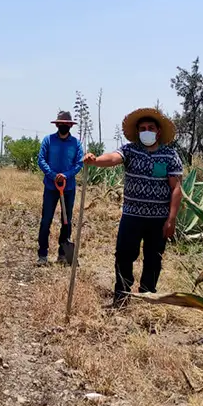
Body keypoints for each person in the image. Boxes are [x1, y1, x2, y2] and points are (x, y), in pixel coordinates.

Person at [84, 108, 183, 307]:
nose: (146, 131)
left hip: (159, 219)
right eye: (142, 128)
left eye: (150, 128)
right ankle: (122, 293)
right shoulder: (130, 150)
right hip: (132, 216)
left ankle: (147, 296)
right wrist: (95, 161)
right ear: (138, 132)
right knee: (123, 254)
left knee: (153, 258)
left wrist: (171, 219)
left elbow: (176, 189)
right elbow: (113, 158)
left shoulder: (170, 155)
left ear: (158, 132)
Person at [36, 111, 85, 265]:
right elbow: (41, 159)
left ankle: (63, 255)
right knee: (46, 221)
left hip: (68, 188)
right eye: (61, 124)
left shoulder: (76, 144)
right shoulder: (48, 140)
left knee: (66, 221)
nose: (64, 126)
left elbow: (79, 163)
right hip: (51, 187)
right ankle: (42, 255)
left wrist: (66, 175)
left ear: (70, 125)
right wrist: (52, 175)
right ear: (57, 125)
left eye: (66, 124)